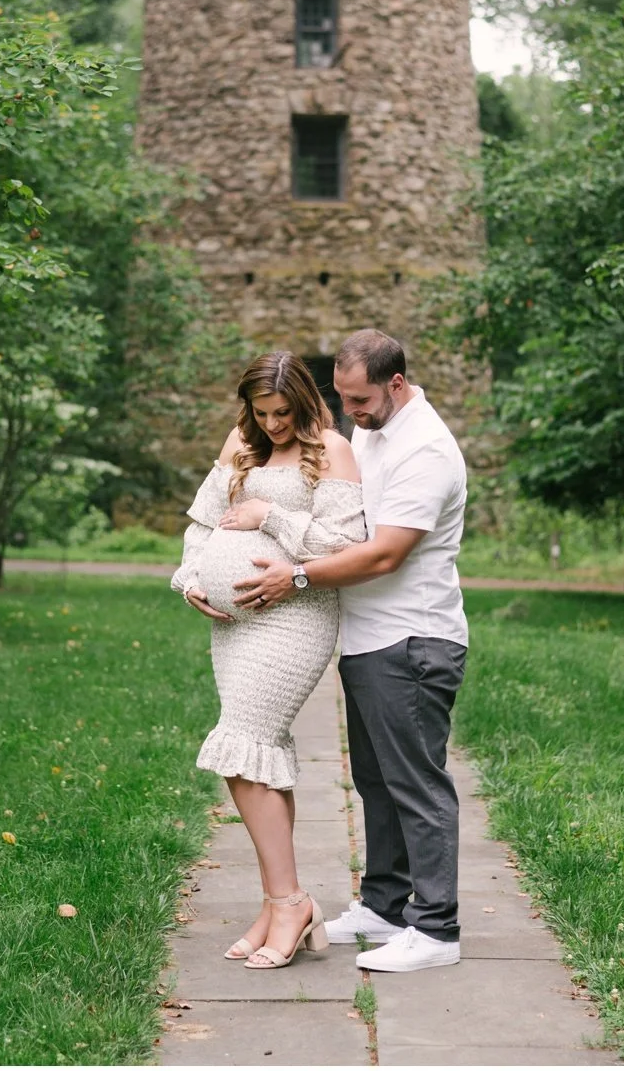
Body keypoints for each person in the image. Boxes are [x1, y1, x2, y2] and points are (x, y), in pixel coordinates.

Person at [233, 329, 469, 973]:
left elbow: (386, 551)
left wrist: (298, 576)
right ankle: (384, 905)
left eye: (359, 400)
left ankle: (436, 928)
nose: (349, 412)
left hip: (414, 638)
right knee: (375, 782)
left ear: (397, 383)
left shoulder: (427, 450)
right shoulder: (373, 428)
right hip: (368, 638)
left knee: (416, 783)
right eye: (340, 398)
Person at [172, 351, 366, 970]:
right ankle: (276, 902)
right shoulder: (240, 443)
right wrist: (191, 578)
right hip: (234, 626)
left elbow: (347, 542)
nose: (274, 424)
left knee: (241, 744)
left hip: (298, 614)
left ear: (305, 402)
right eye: (263, 413)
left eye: (284, 412)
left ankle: (291, 902)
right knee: (259, 755)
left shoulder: (331, 449)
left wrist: (268, 516)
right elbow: (203, 523)